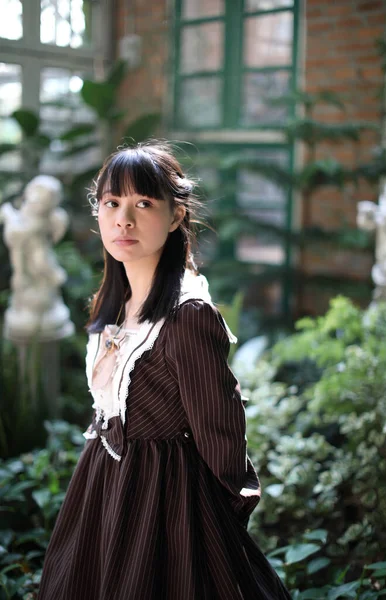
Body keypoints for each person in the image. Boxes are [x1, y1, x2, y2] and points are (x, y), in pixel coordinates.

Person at [38, 141, 292, 600]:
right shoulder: (115, 304)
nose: (123, 219)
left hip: (167, 505)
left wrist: (216, 522)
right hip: (102, 493)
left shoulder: (186, 315)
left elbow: (222, 434)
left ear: (176, 216)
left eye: (143, 203)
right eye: (112, 203)